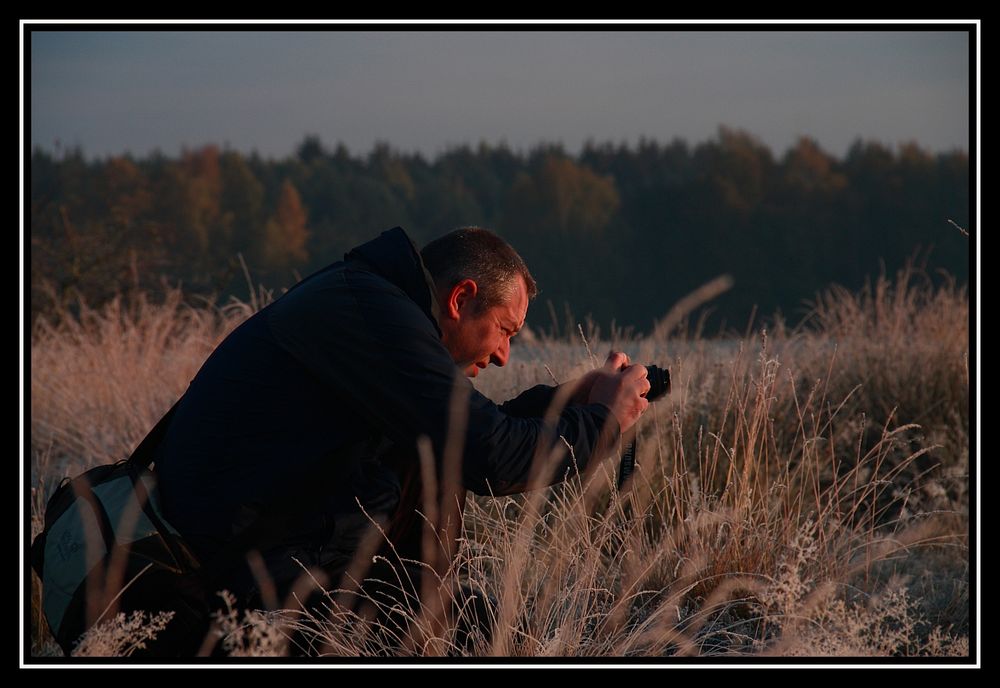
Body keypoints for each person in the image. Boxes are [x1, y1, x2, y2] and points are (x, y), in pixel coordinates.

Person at [152, 226, 651, 654]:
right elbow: (488, 455)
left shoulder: (372, 303)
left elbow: (471, 428)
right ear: (460, 299)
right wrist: (603, 420)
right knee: (479, 621)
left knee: (482, 616)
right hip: (234, 585)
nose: (503, 356)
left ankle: (426, 623)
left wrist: (573, 405)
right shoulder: (376, 317)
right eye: (504, 330)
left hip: (280, 553)